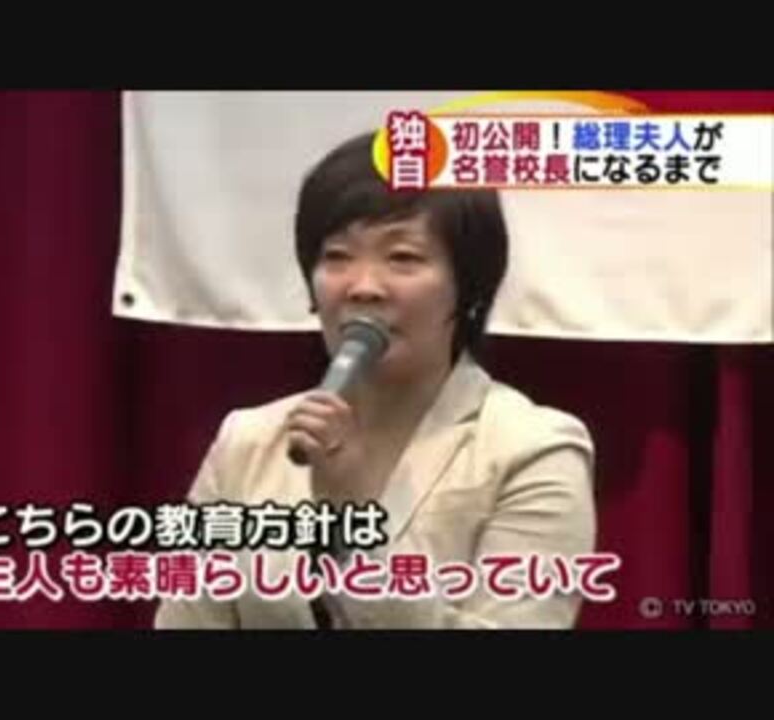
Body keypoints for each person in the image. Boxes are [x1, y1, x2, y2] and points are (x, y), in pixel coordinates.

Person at [154, 131, 596, 629]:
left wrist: (357, 523)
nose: (363, 287)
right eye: (337, 257)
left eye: (403, 258)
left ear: (469, 288)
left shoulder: (532, 449)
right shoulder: (250, 441)